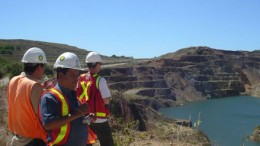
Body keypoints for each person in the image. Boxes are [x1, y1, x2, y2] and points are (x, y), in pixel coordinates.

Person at [39, 52, 88, 146]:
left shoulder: (73, 94)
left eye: (77, 75)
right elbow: (48, 125)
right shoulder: (50, 97)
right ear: (61, 76)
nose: (77, 78)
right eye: (73, 75)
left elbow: (74, 119)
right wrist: (76, 114)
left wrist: (86, 117)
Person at [7, 47, 48, 146]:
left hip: (17, 138)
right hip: (33, 140)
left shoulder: (13, 80)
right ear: (39, 67)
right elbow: (43, 117)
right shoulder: (35, 87)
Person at [77, 51, 114, 146]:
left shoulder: (80, 78)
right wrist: (107, 108)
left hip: (84, 118)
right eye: (100, 64)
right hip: (99, 119)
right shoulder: (100, 80)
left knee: (87, 142)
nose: (100, 66)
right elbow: (106, 99)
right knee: (107, 142)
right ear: (96, 64)